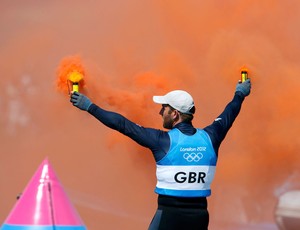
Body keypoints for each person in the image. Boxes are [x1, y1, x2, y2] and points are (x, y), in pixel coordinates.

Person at [70, 79, 251, 230]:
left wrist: (90, 107)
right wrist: (240, 94)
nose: (160, 112)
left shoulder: (162, 141)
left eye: (164, 108)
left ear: (174, 114)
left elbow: (122, 124)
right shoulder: (212, 137)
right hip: (200, 218)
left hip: (169, 216)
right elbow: (230, 112)